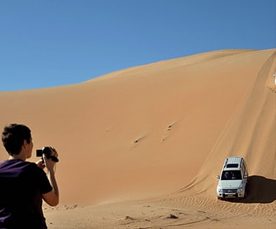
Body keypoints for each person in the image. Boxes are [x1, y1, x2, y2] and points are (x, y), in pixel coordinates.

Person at [0, 124, 59, 229]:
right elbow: (53, 201)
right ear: (25, 143)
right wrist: (50, 170)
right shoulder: (33, 172)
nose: (32, 145)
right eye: (30, 141)